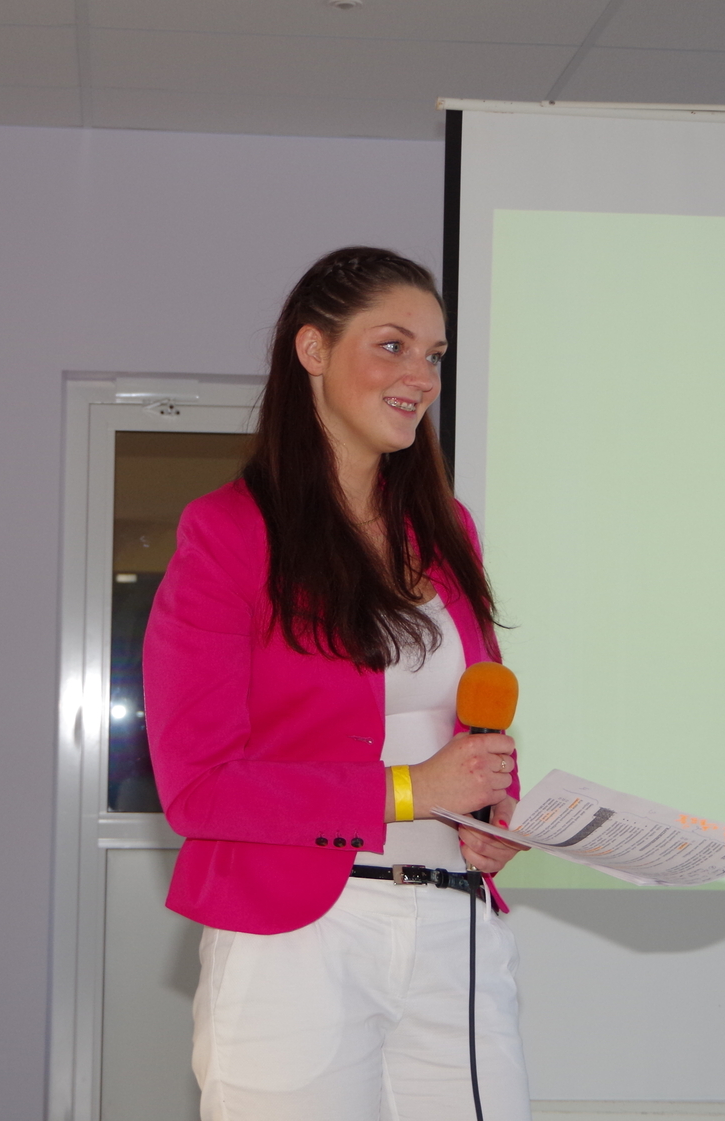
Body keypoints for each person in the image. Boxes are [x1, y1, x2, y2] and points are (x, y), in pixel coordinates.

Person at [143, 246, 530, 1121]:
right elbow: (199, 786)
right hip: (300, 934)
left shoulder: (449, 530)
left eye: (434, 355)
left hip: (456, 925)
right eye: (392, 345)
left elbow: (465, 724)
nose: (420, 376)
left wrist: (492, 810)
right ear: (313, 350)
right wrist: (412, 790)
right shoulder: (229, 533)